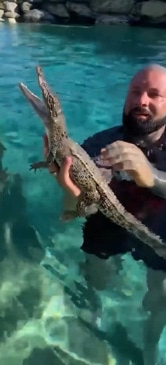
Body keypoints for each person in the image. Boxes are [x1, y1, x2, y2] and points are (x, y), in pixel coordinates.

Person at [43, 63, 166, 365]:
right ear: (125, 98)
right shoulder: (97, 145)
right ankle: (93, 322)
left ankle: (150, 345)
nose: (142, 101)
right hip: (106, 229)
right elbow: (74, 210)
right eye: (135, 92)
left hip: (160, 228)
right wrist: (73, 193)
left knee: (161, 296)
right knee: (96, 279)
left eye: (155, 95)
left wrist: (151, 174)